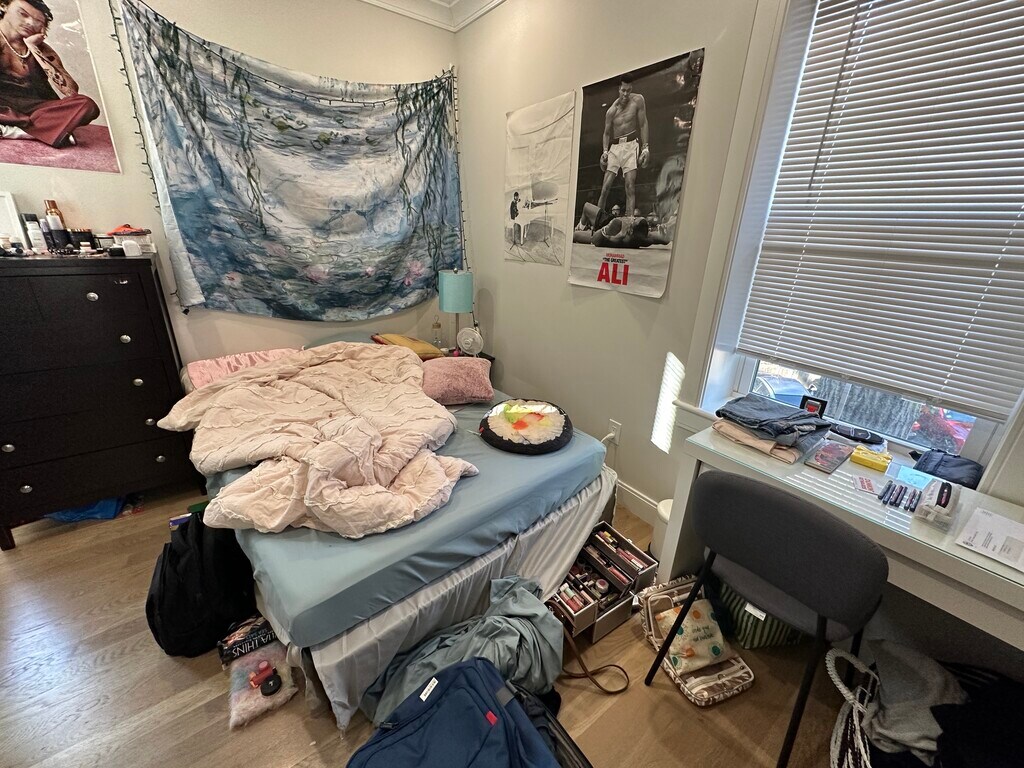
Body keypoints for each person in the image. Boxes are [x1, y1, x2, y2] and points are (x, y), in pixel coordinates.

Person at [0, 0, 100, 147]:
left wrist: (33, 48)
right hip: (3, 106)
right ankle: (47, 129)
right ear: (3, 6)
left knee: (87, 105)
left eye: (38, 21)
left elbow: (71, 92)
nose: (30, 23)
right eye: (23, 14)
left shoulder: (42, 49)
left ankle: (17, 130)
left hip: (36, 108)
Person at [595, 76, 649, 220]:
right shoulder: (611, 111)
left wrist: (645, 148)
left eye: (628, 90)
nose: (626, 94)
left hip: (631, 145)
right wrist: (605, 151)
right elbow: (606, 133)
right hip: (615, 147)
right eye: (623, 90)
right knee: (605, 187)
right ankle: (596, 222)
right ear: (618, 89)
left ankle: (629, 223)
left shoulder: (638, 100)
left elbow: (643, 124)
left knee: (630, 186)